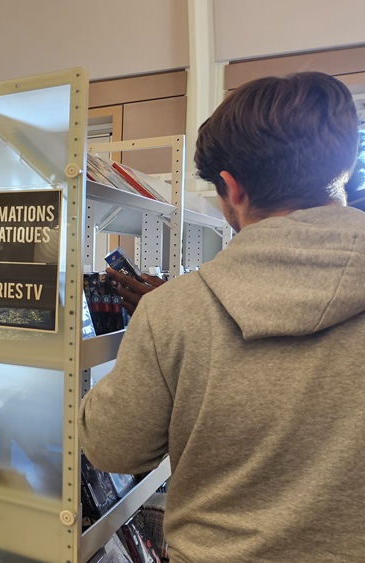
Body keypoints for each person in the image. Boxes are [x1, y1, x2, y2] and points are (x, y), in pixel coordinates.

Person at [79, 72, 365, 561]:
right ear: (344, 164)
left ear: (232, 188)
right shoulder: (178, 307)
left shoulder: (175, 311)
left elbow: (113, 448)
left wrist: (164, 329)